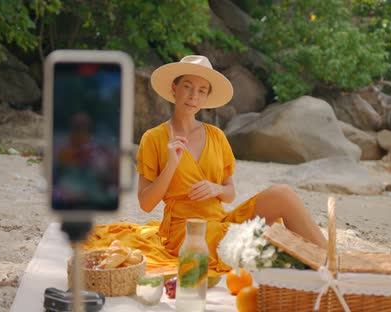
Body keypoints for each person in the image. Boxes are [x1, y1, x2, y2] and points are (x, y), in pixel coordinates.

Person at [83, 55, 327, 277]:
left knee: (282, 193)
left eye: (201, 91)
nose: (193, 96)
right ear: (174, 88)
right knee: (249, 241)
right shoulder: (154, 138)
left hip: (221, 222)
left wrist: (217, 189)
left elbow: (230, 193)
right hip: (184, 231)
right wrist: (172, 164)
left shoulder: (216, 136)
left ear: (206, 98)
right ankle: (296, 261)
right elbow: (146, 204)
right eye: (187, 87)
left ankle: (331, 261)